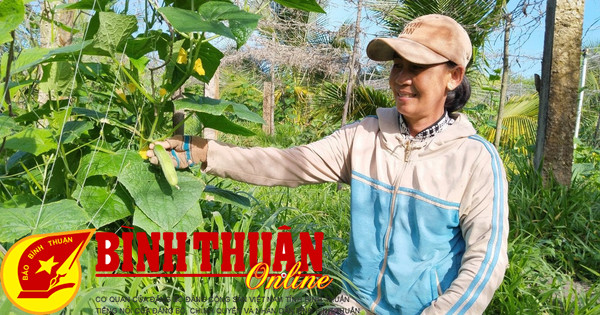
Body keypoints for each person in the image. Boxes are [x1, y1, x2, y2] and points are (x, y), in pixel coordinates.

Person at [148, 14, 509, 315]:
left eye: (417, 67)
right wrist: (206, 151)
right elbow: (289, 163)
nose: (401, 78)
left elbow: (485, 263)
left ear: (454, 76)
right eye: (398, 65)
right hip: (354, 301)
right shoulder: (365, 135)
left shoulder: (474, 160)